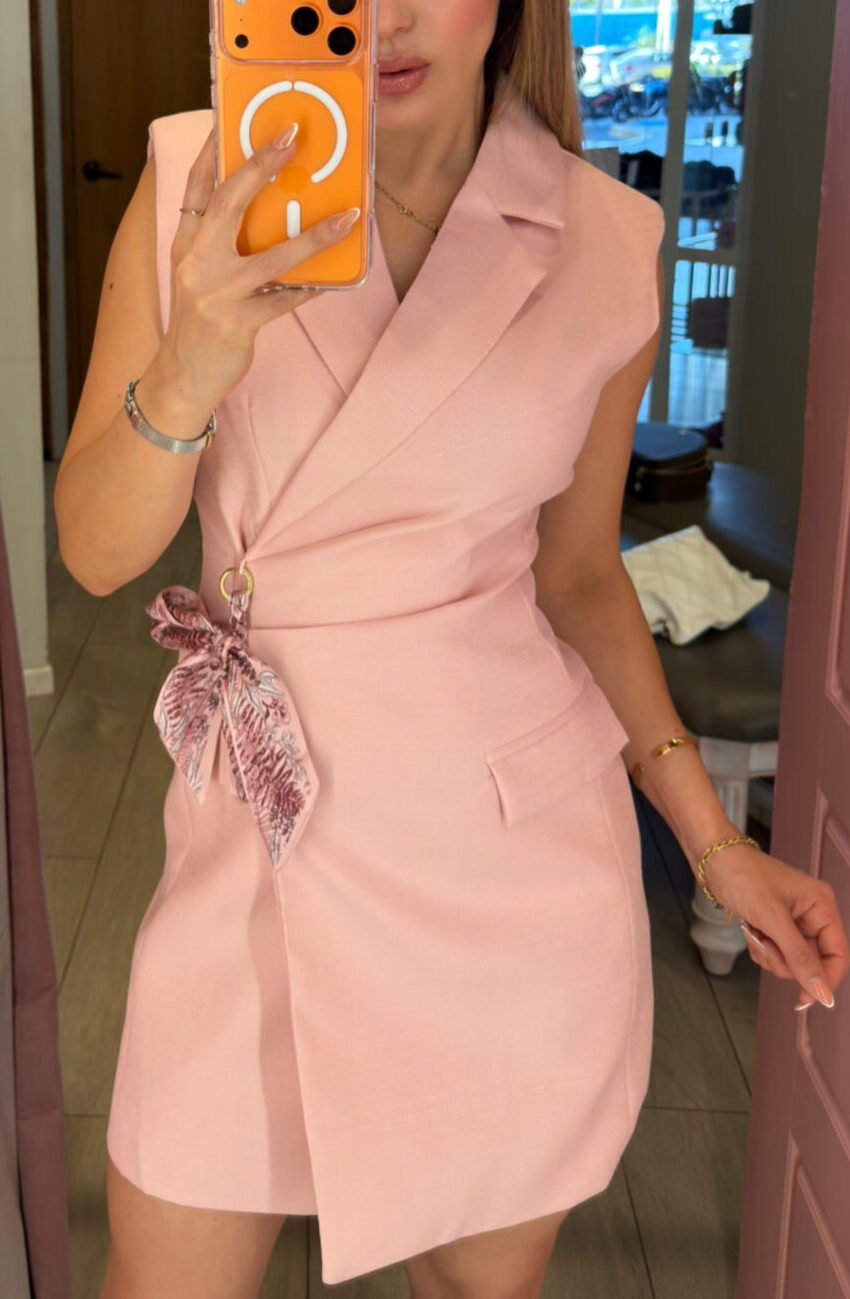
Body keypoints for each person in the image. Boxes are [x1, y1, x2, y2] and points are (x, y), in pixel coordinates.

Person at [54, 2, 849, 1297]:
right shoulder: (197, 173)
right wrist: (192, 365)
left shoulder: (606, 238)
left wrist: (717, 846)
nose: (385, 18)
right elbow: (95, 552)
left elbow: (579, 579)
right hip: (252, 856)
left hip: (507, 880)